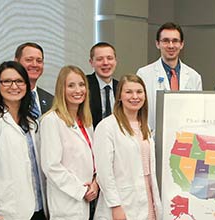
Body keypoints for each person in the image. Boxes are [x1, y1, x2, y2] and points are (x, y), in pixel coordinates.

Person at [0, 61, 47, 220]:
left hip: (37, 208)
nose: (14, 86)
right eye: (7, 81)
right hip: (6, 212)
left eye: (19, 81)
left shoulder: (32, 123)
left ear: (27, 86)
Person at [94, 75, 162, 220]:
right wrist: (115, 205)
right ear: (119, 96)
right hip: (122, 203)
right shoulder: (107, 126)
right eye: (129, 92)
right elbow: (104, 173)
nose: (135, 97)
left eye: (139, 92)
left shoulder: (144, 126)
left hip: (147, 198)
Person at [40, 66, 99, 219]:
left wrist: (95, 183)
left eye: (81, 84)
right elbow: (51, 166)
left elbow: (92, 160)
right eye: (71, 85)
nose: (78, 90)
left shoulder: (86, 121)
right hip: (65, 202)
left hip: (87, 199)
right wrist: (80, 190)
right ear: (61, 89)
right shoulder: (51, 121)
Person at [137, 22, 203, 130]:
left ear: (182, 44)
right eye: (166, 41)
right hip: (153, 137)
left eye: (175, 41)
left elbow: (198, 113)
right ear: (157, 44)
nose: (171, 45)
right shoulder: (144, 74)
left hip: (185, 137)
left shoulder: (194, 77)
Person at [15, 42, 53, 117]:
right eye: (29, 60)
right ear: (16, 62)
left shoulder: (52, 101)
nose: (34, 65)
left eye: (39, 61)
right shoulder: (3, 99)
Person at [87, 42, 119, 128]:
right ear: (91, 62)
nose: (105, 63)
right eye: (99, 59)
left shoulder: (121, 87)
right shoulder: (84, 86)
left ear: (116, 61)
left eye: (110, 58)